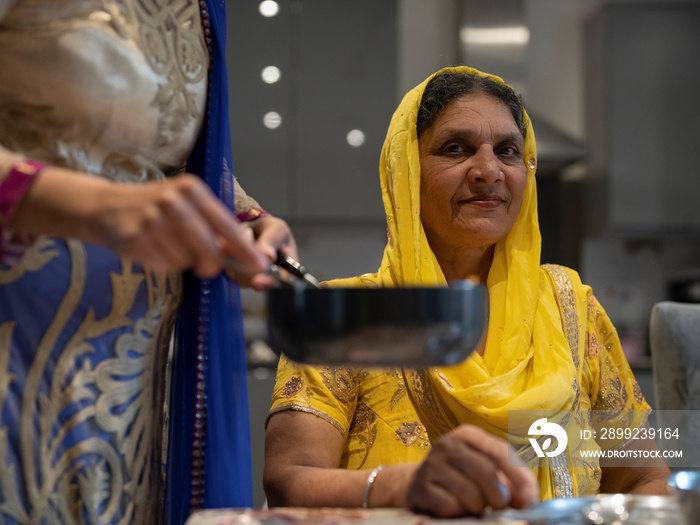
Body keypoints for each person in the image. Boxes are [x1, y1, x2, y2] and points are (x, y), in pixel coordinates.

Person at [263, 66, 670, 517]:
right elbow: (290, 480)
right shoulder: (343, 316)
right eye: (456, 148)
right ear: (407, 170)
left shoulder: (572, 305)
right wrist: (401, 486)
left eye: (508, 151)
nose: (488, 170)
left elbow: (642, 476)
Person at [0, 2, 295, 524]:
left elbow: (166, 156)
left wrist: (241, 220)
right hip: (18, 341)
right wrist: (92, 206)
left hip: (133, 371)